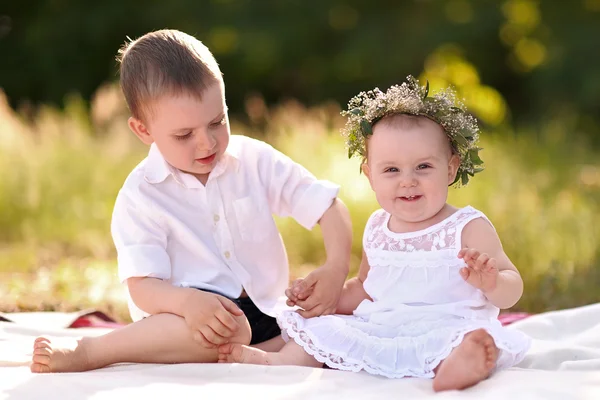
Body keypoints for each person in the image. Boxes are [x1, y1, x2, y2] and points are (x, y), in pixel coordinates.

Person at [29, 29, 352, 373]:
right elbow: (143, 287)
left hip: (270, 310)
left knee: (353, 306)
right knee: (219, 328)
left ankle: (272, 350)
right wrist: (188, 303)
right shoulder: (142, 195)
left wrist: (335, 268)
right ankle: (94, 351)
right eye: (184, 135)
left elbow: (328, 206)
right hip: (186, 319)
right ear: (143, 131)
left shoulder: (253, 160)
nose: (207, 143)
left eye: (217, 122)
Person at [218, 76, 531, 392]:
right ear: (370, 175)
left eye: (423, 167)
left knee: (464, 342)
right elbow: (366, 288)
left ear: (450, 168)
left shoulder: (467, 227)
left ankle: (461, 365)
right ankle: (279, 363)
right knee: (324, 330)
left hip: (447, 327)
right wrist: (327, 299)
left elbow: (512, 287)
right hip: (385, 328)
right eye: (392, 170)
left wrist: (492, 282)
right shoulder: (378, 227)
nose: (407, 181)